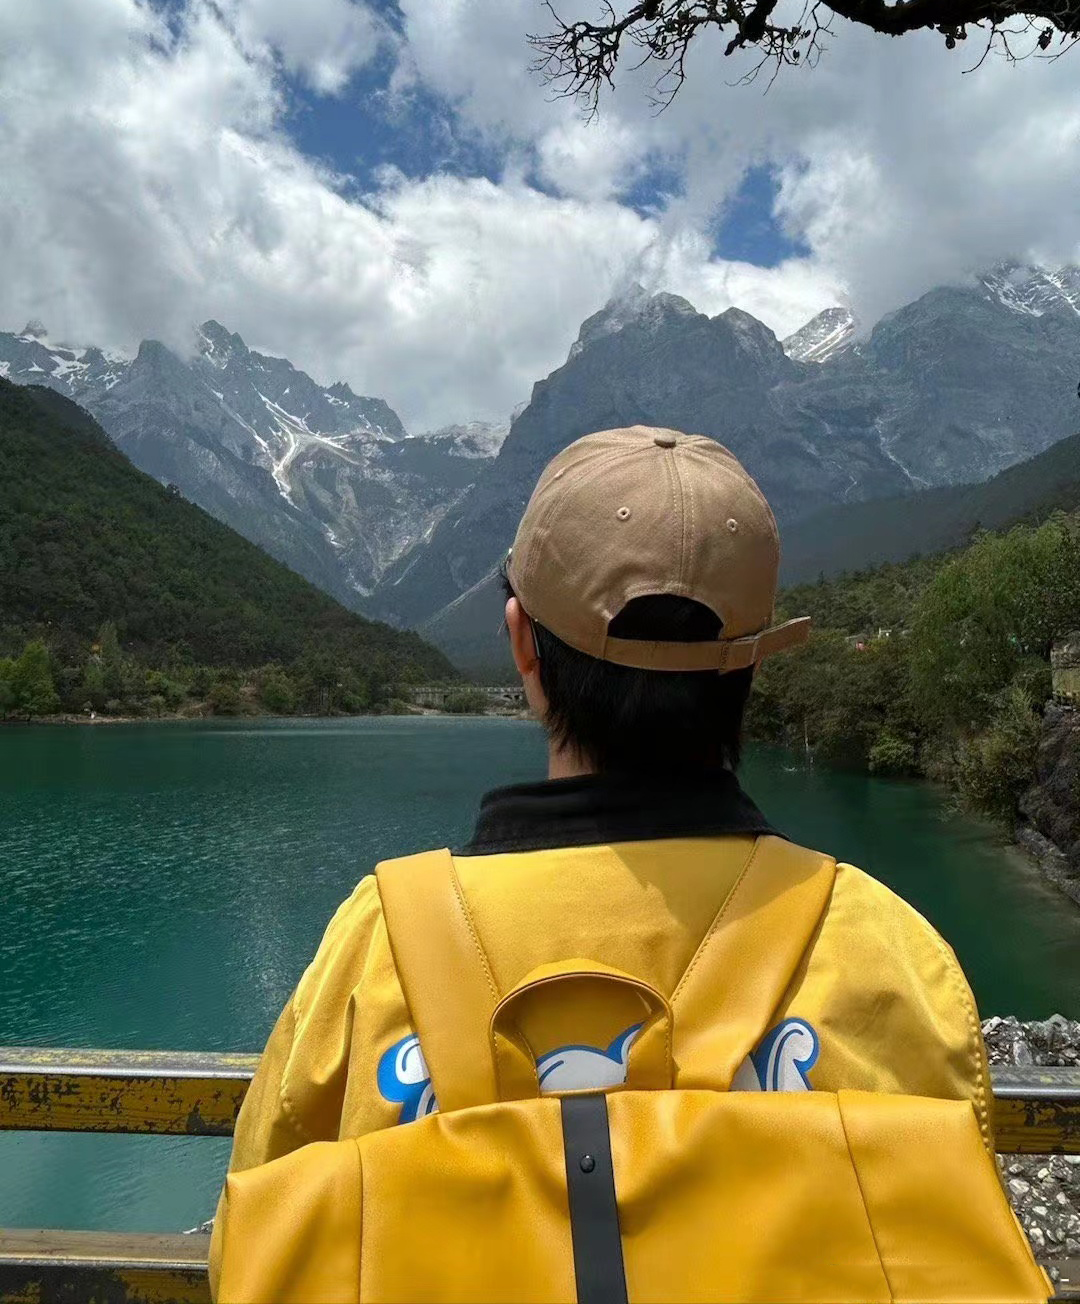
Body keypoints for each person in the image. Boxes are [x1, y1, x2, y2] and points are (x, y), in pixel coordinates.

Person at [209, 425, 996, 1293]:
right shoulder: (885, 946)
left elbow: (256, 1228)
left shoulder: (376, 945)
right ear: (750, 670)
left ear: (521, 647)